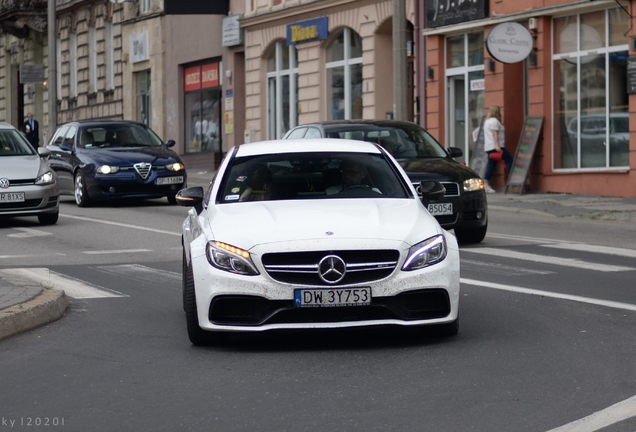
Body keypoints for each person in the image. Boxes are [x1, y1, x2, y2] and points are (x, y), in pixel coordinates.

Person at [483, 105, 513, 193]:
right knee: (509, 160)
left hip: (489, 147)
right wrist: (498, 146)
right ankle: (512, 179)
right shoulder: (495, 121)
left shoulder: (487, 121)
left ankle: (486, 183)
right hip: (495, 147)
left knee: (491, 165)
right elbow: (494, 134)